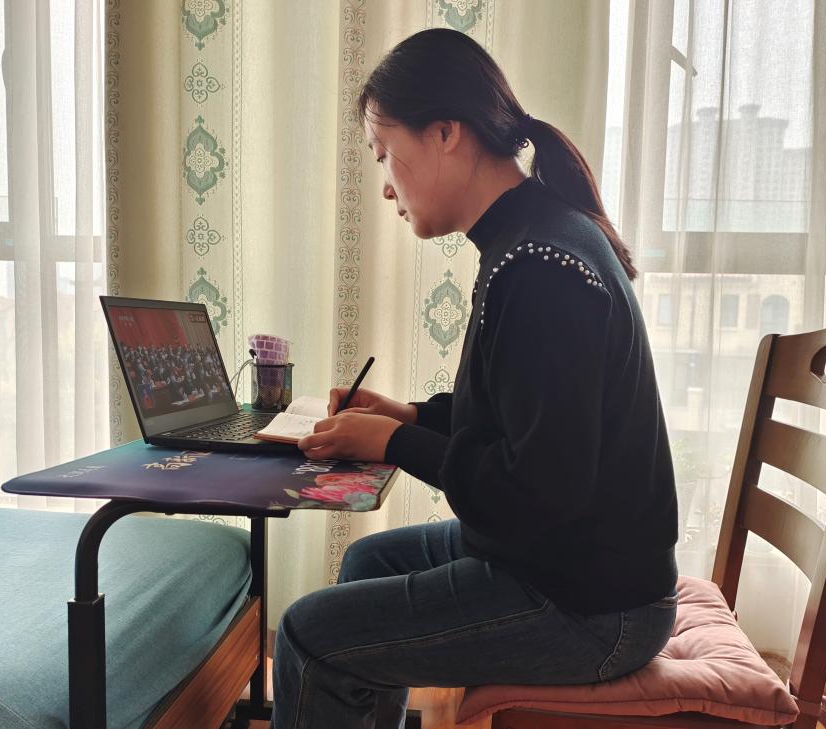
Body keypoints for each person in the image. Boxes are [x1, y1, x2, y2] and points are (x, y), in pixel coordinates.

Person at [273, 28, 678, 729]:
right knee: (369, 559)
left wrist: (392, 443)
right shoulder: (531, 239)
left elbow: (538, 489)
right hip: (565, 566)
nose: (385, 185)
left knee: (309, 636)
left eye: (384, 153)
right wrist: (406, 415)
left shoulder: (540, 269)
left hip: (591, 606)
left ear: (445, 133)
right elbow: (520, 416)